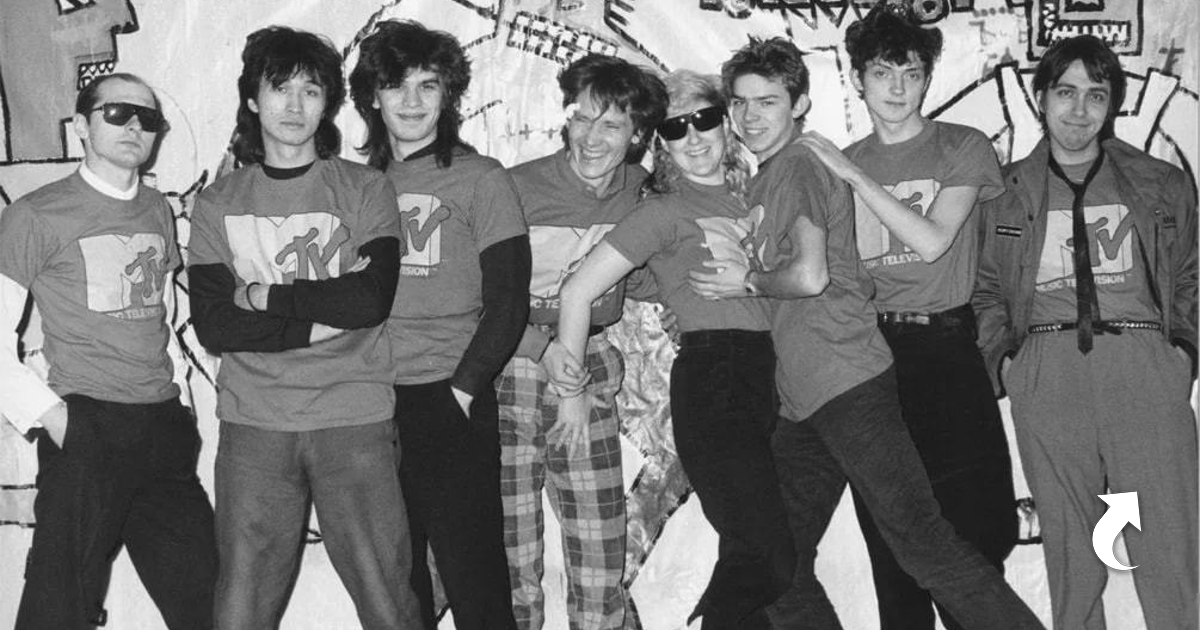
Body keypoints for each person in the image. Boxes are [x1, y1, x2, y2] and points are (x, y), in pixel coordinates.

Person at [690, 36, 1044, 629]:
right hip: (804, 397)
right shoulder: (765, 180)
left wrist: (747, 281)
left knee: (924, 545)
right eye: (742, 103)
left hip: (848, 380)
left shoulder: (801, 164)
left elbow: (809, 276)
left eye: (768, 101)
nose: (751, 116)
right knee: (773, 561)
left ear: (800, 105)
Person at [187, 26, 420, 630]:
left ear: (328, 104)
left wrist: (261, 296)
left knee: (387, 599)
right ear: (252, 99)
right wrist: (315, 323)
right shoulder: (217, 202)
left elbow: (368, 299)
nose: (294, 106)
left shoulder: (365, 187)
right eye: (280, 89)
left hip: (353, 416)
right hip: (255, 421)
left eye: (311, 91)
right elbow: (214, 324)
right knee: (240, 605)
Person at [544, 69, 793, 629]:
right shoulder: (662, 211)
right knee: (768, 558)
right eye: (676, 128)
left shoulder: (755, 197)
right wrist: (570, 389)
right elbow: (578, 291)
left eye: (704, 119)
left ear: (726, 123)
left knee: (752, 551)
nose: (694, 136)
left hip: (767, 379)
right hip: (715, 380)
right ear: (661, 141)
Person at [795, 5, 1016, 628]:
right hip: (870, 357)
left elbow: (932, 240)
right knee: (892, 540)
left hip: (945, 350)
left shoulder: (961, 146)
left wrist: (853, 175)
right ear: (857, 79)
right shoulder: (838, 166)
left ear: (927, 79)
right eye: (882, 73)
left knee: (974, 531)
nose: (897, 88)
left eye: (911, 73)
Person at [973, 34, 1198, 630]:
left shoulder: (1160, 182)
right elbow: (986, 290)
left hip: (1143, 362)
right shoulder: (1003, 193)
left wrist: (1183, 353)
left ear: (1111, 104)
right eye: (1065, 92)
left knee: (1169, 541)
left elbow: (1191, 276)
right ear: (1041, 98)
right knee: (1071, 547)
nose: (1079, 109)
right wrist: (1009, 364)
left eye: (1095, 95)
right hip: (1046, 367)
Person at [0, 72, 217, 630]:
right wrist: (58, 420)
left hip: (162, 431)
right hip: (87, 431)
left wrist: (183, 406)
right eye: (117, 113)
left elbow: (162, 315)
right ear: (81, 125)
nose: (134, 126)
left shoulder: (156, 209)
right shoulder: (35, 214)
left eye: (148, 118)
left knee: (211, 608)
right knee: (57, 611)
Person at [349, 19, 528, 630]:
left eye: (427, 85)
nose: (412, 101)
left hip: (448, 397)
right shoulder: (354, 185)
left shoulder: (481, 177)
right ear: (372, 97)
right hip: (368, 403)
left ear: (448, 95)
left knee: (476, 583)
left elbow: (509, 300)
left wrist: (463, 390)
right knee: (398, 589)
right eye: (396, 85)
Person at [499, 53, 666, 630]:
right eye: (582, 118)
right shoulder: (515, 188)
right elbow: (476, 297)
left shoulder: (642, 192)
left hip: (590, 360)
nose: (591, 138)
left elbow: (645, 274)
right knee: (511, 546)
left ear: (638, 135)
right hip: (512, 359)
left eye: (611, 124)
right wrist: (539, 352)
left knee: (599, 548)